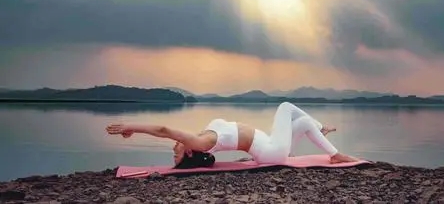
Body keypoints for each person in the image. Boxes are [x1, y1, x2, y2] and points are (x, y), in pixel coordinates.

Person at [106, 102, 360, 169]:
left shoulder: (201, 135)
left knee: (304, 122)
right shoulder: (202, 142)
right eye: (176, 153)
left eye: (175, 151)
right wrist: (131, 126)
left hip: (272, 147)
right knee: (285, 107)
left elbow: (170, 134)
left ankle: (320, 130)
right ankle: (335, 154)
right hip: (271, 153)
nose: (174, 148)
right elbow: (164, 130)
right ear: (190, 150)